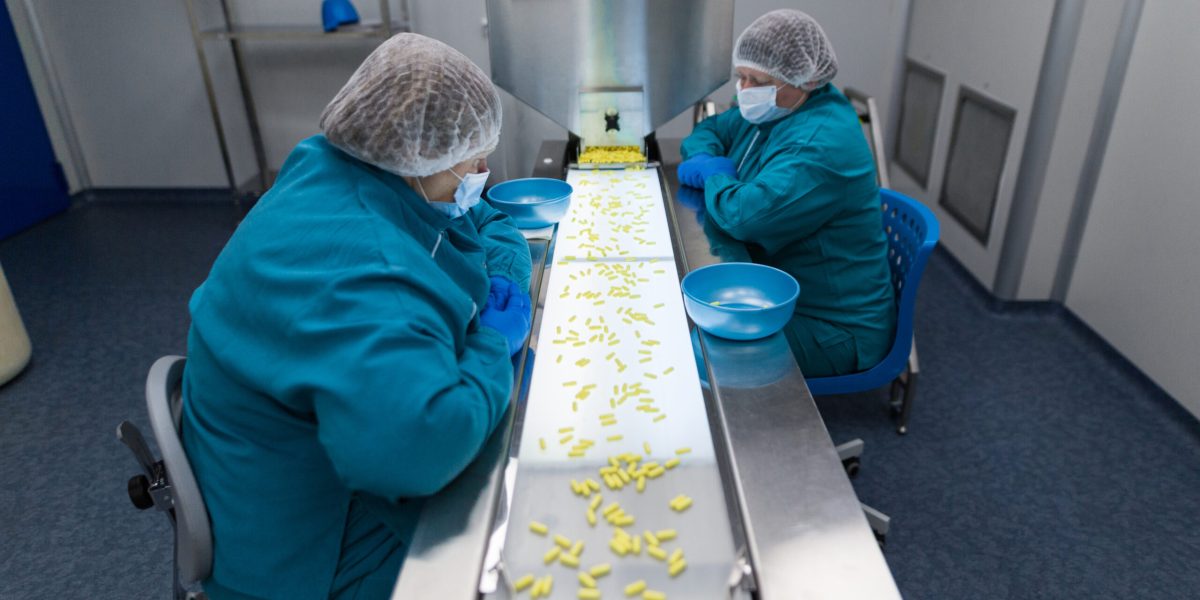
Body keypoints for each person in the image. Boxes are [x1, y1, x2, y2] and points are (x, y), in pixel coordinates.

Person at [180, 33, 532, 599]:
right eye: (472, 160)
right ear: (422, 155)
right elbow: (420, 449)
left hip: (295, 453)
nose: (482, 172)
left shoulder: (336, 163)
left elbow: (484, 223)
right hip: (306, 549)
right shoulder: (370, 271)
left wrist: (506, 277)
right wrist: (490, 342)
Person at [678, 10, 895, 378]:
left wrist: (714, 174)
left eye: (757, 80)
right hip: (780, 287)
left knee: (694, 351)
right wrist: (704, 157)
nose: (744, 91)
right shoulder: (775, 109)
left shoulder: (819, 143)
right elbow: (712, 129)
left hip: (833, 326)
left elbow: (744, 216)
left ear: (806, 78)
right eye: (741, 77)